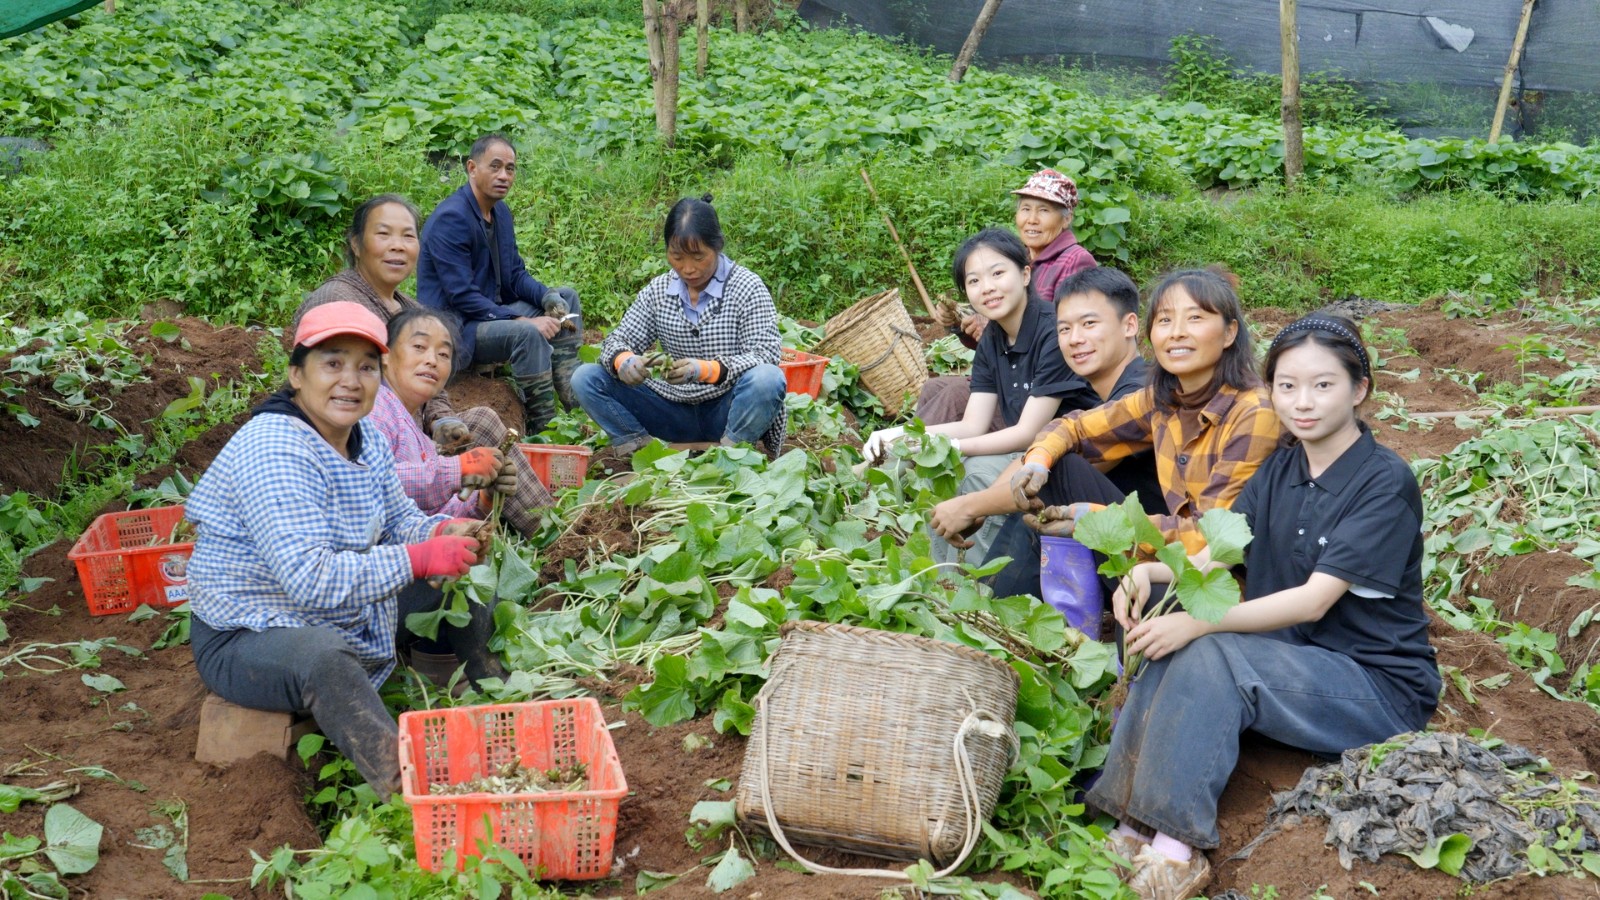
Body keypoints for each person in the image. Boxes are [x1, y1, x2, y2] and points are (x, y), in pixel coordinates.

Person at [1090, 314, 1439, 900]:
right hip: (1293, 664)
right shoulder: (1281, 467)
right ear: (1270, 388)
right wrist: (1144, 574)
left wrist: (1197, 622)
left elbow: (1311, 601)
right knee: (1163, 606)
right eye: (1287, 385)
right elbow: (1220, 555)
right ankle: (1128, 822)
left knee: (1209, 648)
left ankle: (1176, 848)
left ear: (1360, 390)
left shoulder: (1384, 481)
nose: (1303, 402)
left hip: (1374, 687)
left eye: (1323, 385)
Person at [185, 302, 505, 798]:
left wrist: (440, 536)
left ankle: (495, 702)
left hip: (343, 608)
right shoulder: (274, 448)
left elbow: (400, 521)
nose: (350, 381)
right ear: (297, 373)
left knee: (464, 591)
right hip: (249, 631)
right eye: (332, 363)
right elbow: (311, 580)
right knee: (326, 659)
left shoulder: (366, 438)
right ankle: (409, 788)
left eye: (365, 367)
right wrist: (417, 560)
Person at [990, 267, 1281, 601]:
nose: (1177, 333)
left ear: (1230, 333)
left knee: (1137, 586)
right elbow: (1074, 426)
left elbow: (1208, 539)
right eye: (1165, 321)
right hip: (1170, 559)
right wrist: (1038, 461)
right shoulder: (1164, 397)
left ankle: (1001, 605)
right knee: (1059, 466)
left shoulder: (1253, 412)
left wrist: (1095, 518)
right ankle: (1000, 605)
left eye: (1196, 319)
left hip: (1224, 585)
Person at [863, 229, 1088, 565]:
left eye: (998, 273)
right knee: (931, 464)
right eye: (974, 280)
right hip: (1026, 449)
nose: (988, 287)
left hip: (1066, 456)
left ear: (1025, 274)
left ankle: (974, 584)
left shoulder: (1052, 331)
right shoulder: (992, 339)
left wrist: (950, 447)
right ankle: (934, 573)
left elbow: (1028, 433)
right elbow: (972, 424)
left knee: (975, 470)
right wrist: (901, 435)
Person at [928, 266, 1162, 557]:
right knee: (1046, 461)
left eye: (1089, 324)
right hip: (1119, 539)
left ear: (1129, 326)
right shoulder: (1113, 395)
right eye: (1064, 329)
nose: (1074, 339)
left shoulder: (1140, 392)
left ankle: (991, 592)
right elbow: (1046, 448)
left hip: (1156, 553)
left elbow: (1062, 466)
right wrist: (978, 505)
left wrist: (972, 506)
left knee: (1058, 469)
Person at [571, 195, 786, 456]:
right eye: (677, 257)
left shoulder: (746, 287)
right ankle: (643, 447)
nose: (687, 269)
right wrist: (624, 361)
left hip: (725, 410)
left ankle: (731, 451)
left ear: (716, 247)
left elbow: (766, 354)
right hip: (670, 409)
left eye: (698, 257)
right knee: (586, 378)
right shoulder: (659, 290)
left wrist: (704, 369)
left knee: (768, 378)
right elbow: (618, 339)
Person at [293, 193, 495, 456]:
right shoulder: (338, 301)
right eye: (384, 234)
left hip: (414, 428)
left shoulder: (413, 310)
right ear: (356, 244)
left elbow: (432, 381)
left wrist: (441, 419)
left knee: (484, 423)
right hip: (365, 429)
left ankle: (545, 499)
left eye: (408, 236)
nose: (397, 246)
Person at [416, 133, 584, 434]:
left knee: (566, 298)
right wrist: (519, 319)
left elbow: (515, 275)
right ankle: (542, 426)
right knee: (525, 334)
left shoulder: (500, 213)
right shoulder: (451, 218)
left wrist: (547, 297)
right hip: (458, 326)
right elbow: (462, 296)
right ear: (471, 168)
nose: (504, 175)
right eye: (495, 166)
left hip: (489, 313)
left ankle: (574, 404)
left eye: (510, 168)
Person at [918, 168, 1099, 427]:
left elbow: (1064, 336)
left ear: (1066, 218)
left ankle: (901, 457)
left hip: (1047, 386)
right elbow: (1000, 340)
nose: (1032, 220)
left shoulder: (1075, 260)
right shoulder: (1015, 258)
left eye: (1044, 211)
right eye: (1026, 209)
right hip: (1012, 375)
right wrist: (960, 324)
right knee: (934, 388)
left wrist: (988, 324)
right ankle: (914, 457)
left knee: (956, 396)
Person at [367, 306, 556, 536]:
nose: (432, 361)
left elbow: (437, 516)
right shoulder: (375, 408)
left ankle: (553, 536)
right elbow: (371, 482)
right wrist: (459, 469)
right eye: (419, 347)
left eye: (443, 355)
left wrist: (484, 499)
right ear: (384, 356)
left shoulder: (416, 430)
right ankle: (552, 536)